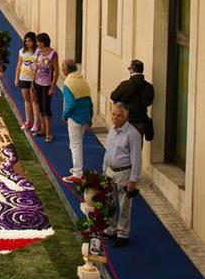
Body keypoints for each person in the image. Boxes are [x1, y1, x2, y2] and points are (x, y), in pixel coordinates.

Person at [102, 102, 142, 247]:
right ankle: (110, 229)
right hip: (110, 171)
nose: (115, 118)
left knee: (124, 205)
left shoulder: (133, 134)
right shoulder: (112, 130)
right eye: (113, 114)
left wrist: (133, 180)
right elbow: (108, 151)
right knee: (110, 202)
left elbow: (136, 159)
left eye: (119, 115)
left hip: (124, 174)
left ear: (126, 116)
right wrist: (104, 170)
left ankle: (122, 233)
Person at [61, 59, 93, 182]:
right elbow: (89, 101)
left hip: (75, 117)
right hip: (85, 116)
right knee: (78, 144)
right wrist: (90, 116)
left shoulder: (68, 83)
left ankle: (77, 173)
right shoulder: (83, 79)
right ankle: (77, 169)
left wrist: (65, 115)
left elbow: (70, 104)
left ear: (65, 70)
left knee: (75, 145)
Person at [110, 59, 154, 140]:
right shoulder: (149, 87)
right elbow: (148, 102)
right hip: (141, 122)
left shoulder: (125, 85)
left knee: (122, 146)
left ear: (132, 70)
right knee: (136, 148)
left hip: (125, 121)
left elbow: (113, 96)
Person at [32, 33, 59, 142]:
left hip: (47, 84)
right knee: (40, 108)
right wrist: (33, 83)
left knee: (46, 108)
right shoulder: (39, 52)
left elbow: (56, 72)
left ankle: (49, 132)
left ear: (43, 42)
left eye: (38, 41)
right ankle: (43, 129)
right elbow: (37, 68)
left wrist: (52, 87)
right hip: (38, 83)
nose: (37, 43)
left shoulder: (53, 54)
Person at [14, 32, 40, 132]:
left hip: (34, 80)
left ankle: (36, 123)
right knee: (27, 100)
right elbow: (18, 65)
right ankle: (28, 121)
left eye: (29, 41)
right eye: (26, 41)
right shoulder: (22, 52)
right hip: (23, 78)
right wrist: (16, 78)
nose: (28, 43)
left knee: (35, 101)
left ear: (34, 41)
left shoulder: (38, 52)